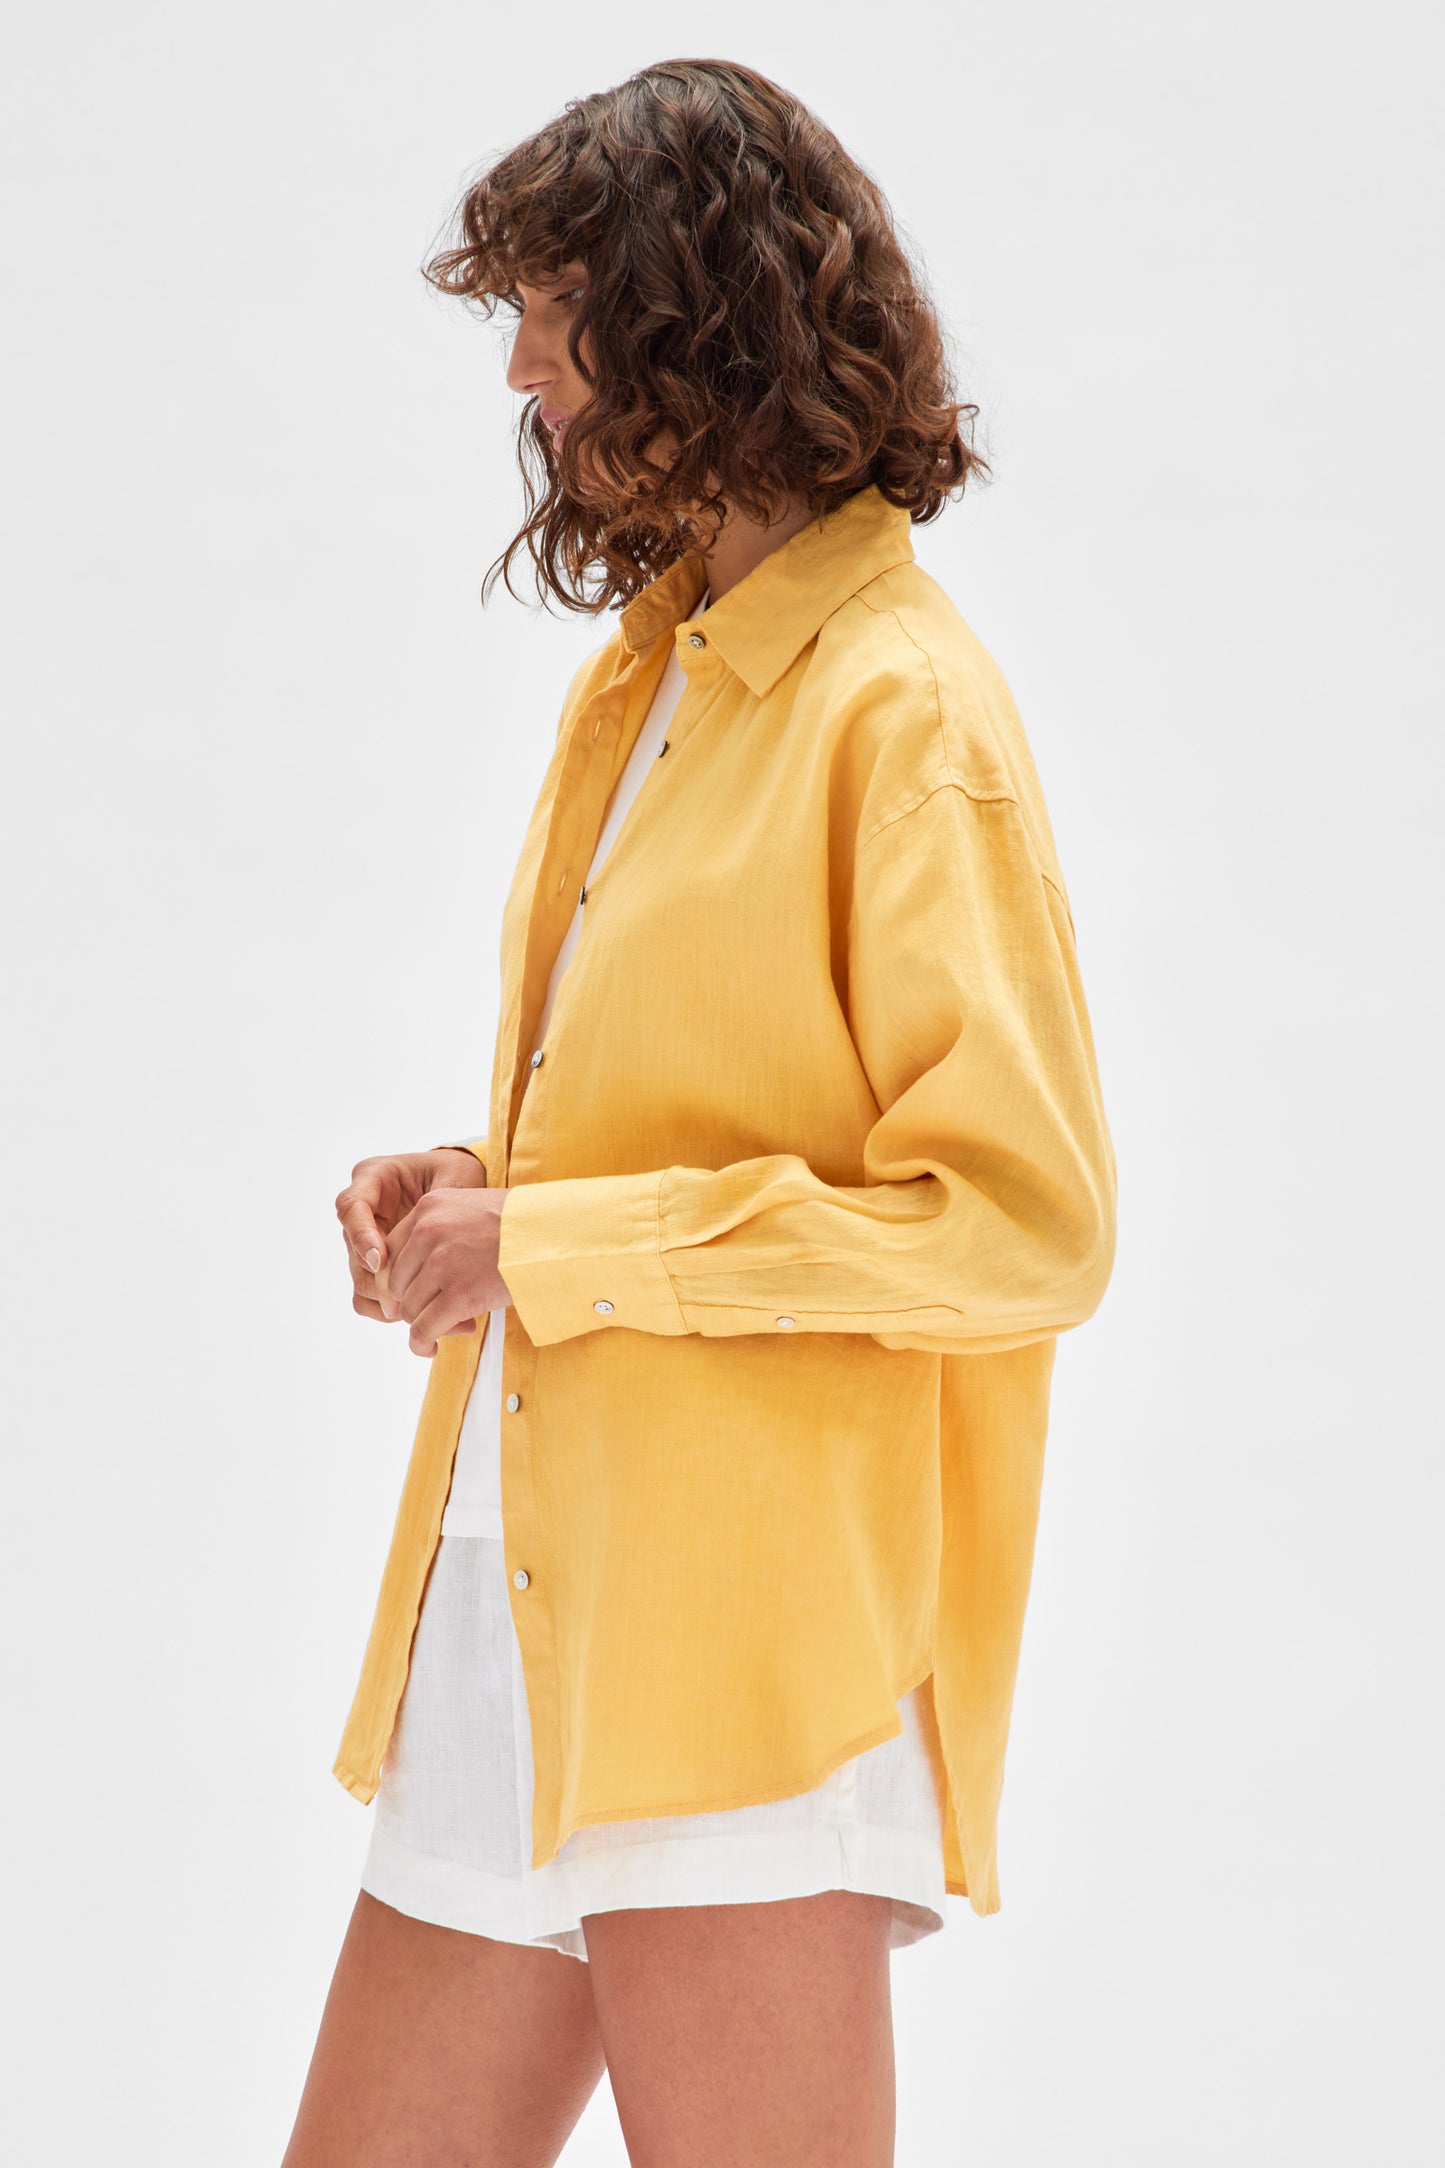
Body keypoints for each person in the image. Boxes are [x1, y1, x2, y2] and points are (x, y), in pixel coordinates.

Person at [283, 56, 1116, 2168]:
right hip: (523, 1587)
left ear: (696, 320)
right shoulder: (650, 677)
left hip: (744, 1652)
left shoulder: (902, 714)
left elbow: (1023, 1226)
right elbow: (704, 1115)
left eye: (555, 314)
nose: (522, 375)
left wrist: (557, 1242)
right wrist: (483, 1189)